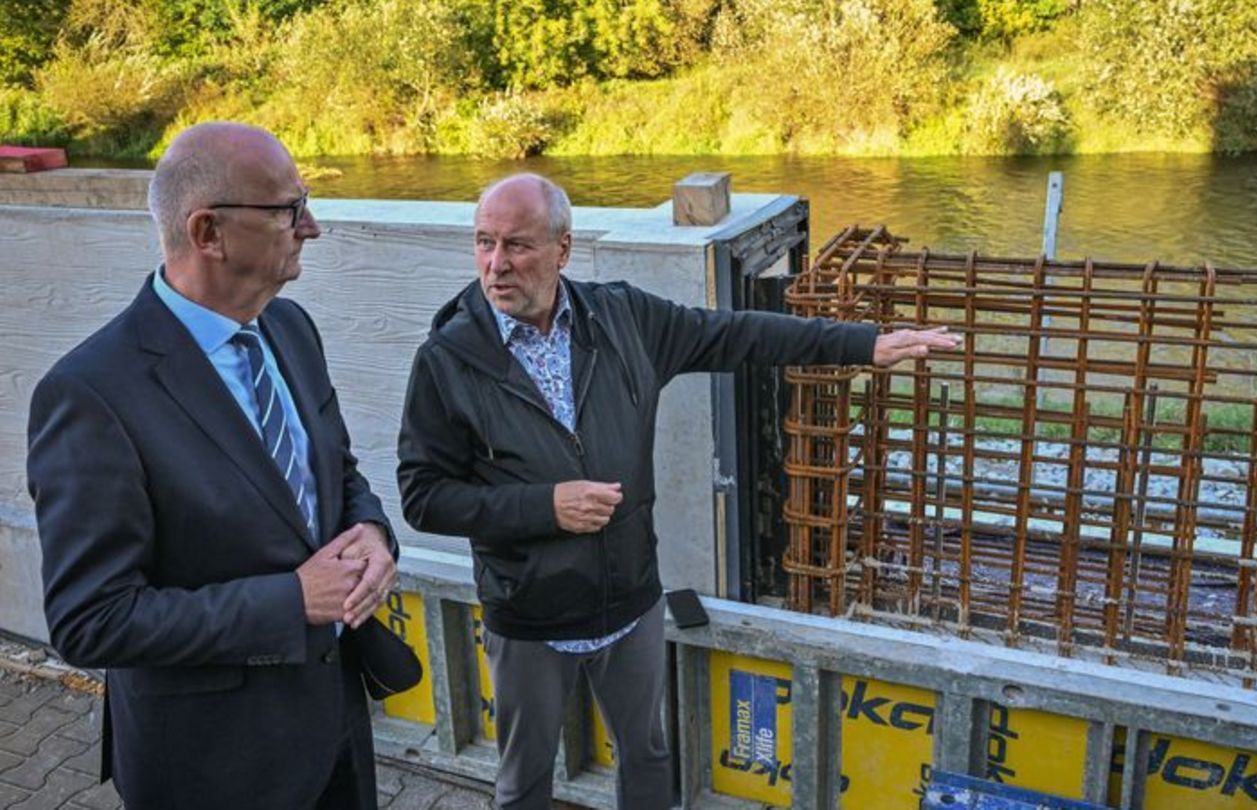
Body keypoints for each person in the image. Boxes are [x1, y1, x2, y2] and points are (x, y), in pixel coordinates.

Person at [396, 173, 956, 809]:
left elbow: (739, 335)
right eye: (484, 243)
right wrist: (544, 507)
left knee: (648, 756)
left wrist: (863, 344)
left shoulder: (624, 318)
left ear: (563, 249)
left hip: (630, 599)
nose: (496, 265)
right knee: (524, 779)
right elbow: (422, 496)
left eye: (518, 246)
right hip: (528, 616)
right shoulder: (445, 360)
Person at [26, 122, 399, 810]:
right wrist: (290, 601)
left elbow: (337, 474)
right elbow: (91, 619)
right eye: (290, 210)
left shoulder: (290, 328)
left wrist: (373, 533)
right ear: (208, 233)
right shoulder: (90, 394)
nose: (310, 226)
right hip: (212, 766)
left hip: (333, 729)